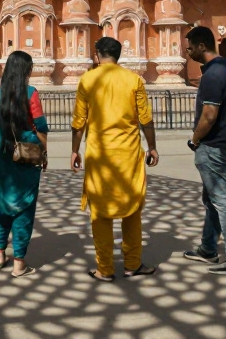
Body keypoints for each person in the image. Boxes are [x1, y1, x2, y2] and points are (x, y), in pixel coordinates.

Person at [71, 37, 157, 281]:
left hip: (99, 155)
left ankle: (105, 268)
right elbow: (146, 119)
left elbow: (79, 122)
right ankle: (132, 264)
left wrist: (74, 150)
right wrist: (152, 147)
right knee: (132, 211)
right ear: (118, 55)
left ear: (97, 54)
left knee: (100, 213)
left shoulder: (88, 79)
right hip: (128, 154)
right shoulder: (134, 80)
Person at [183, 26, 226, 275]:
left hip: (213, 144)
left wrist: (195, 139)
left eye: (190, 47)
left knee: (221, 200)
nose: (188, 52)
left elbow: (209, 115)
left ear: (202, 46)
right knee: (212, 199)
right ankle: (208, 248)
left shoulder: (212, 75)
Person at [0, 51, 47, 278]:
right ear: (26, 70)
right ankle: (19, 263)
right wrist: (43, 153)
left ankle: (0, 253)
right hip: (25, 154)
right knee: (24, 208)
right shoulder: (30, 93)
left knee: (2, 204)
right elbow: (40, 126)